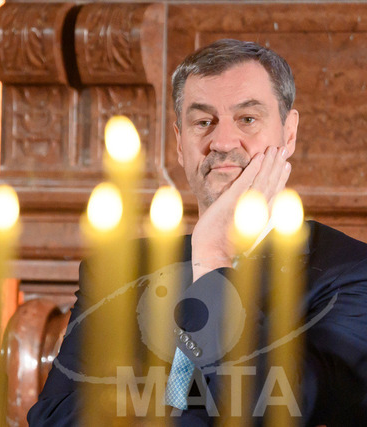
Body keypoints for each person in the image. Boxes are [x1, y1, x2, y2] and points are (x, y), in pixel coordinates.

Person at [27, 39, 367, 425]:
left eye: (247, 119)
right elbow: (51, 418)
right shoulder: (116, 268)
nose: (221, 142)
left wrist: (214, 261)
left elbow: (272, 411)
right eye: (203, 122)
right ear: (179, 142)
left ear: (288, 135)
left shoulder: (352, 273)